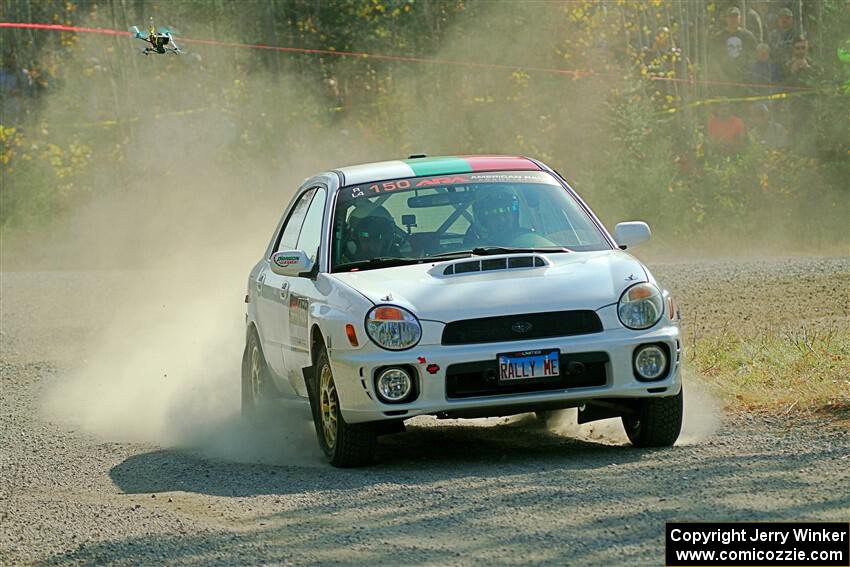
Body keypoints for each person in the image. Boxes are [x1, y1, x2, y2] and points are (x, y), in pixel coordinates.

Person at [467, 189, 554, 247]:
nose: (502, 220)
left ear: (515, 215)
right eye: (493, 214)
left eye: (507, 211)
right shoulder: (472, 252)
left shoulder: (534, 243)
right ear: (482, 220)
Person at [711, 6, 758, 96]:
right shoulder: (719, 38)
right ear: (726, 19)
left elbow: (754, 56)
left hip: (745, 79)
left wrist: (747, 71)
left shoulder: (748, 36)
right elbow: (714, 58)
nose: (733, 20)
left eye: (735, 17)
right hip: (725, 80)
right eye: (731, 17)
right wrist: (720, 75)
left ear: (740, 18)